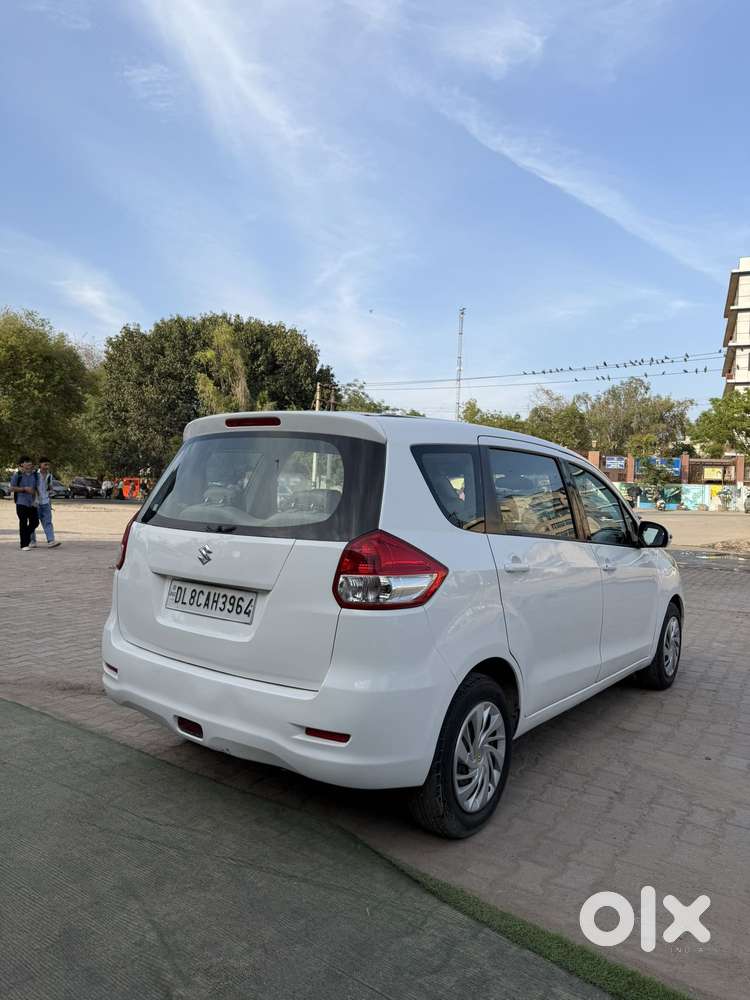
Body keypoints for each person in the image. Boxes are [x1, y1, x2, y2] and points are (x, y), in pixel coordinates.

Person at [9, 456, 40, 551]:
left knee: (35, 522)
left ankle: (25, 536)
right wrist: (24, 489)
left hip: (32, 503)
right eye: (26, 462)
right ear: (22, 464)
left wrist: (37, 499)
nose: (29, 463)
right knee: (23, 523)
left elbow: (37, 488)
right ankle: (24, 544)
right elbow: (11, 488)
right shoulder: (17, 475)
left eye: (30, 462)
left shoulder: (35, 475)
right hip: (21, 502)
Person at [30, 457, 61, 548]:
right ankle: (32, 541)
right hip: (35, 502)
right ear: (40, 464)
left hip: (46, 502)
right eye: (45, 464)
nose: (47, 466)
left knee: (48, 522)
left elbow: (49, 488)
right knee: (33, 522)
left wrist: (50, 498)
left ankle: (51, 541)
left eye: (48, 465)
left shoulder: (49, 476)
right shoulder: (34, 474)